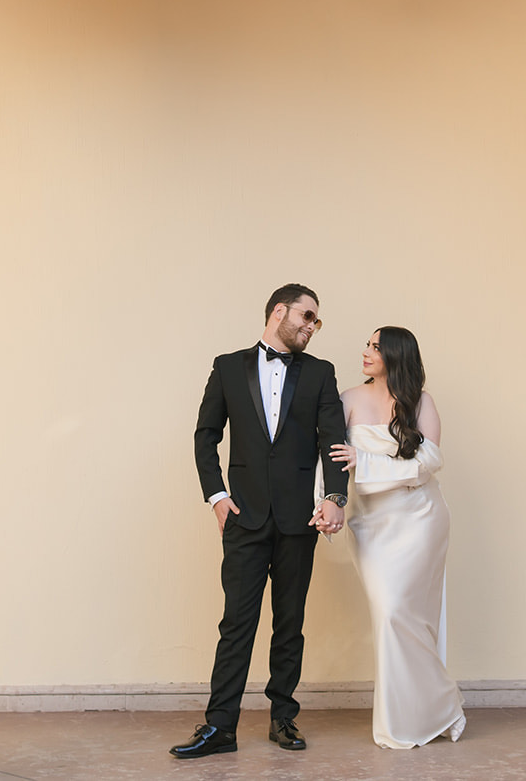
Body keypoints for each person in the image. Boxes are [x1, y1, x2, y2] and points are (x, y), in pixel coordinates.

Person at [169, 284, 351, 759]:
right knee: (237, 623)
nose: (312, 326)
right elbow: (206, 435)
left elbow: (333, 439)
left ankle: (283, 719)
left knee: (290, 623)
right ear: (278, 312)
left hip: (300, 519)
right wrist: (217, 496)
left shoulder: (321, 373)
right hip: (244, 518)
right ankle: (219, 727)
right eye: (307, 316)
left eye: (316, 321)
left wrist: (335, 497)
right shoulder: (227, 367)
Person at [330, 326, 466, 749]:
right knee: (391, 613)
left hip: (420, 519)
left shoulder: (421, 402)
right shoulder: (347, 399)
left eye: (376, 347)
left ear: (396, 355)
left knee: (409, 616)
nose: (367, 352)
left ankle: (415, 718)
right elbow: (328, 458)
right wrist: (326, 501)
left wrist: (365, 460)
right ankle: (441, 705)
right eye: (367, 345)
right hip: (370, 524)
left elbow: (427, 463)